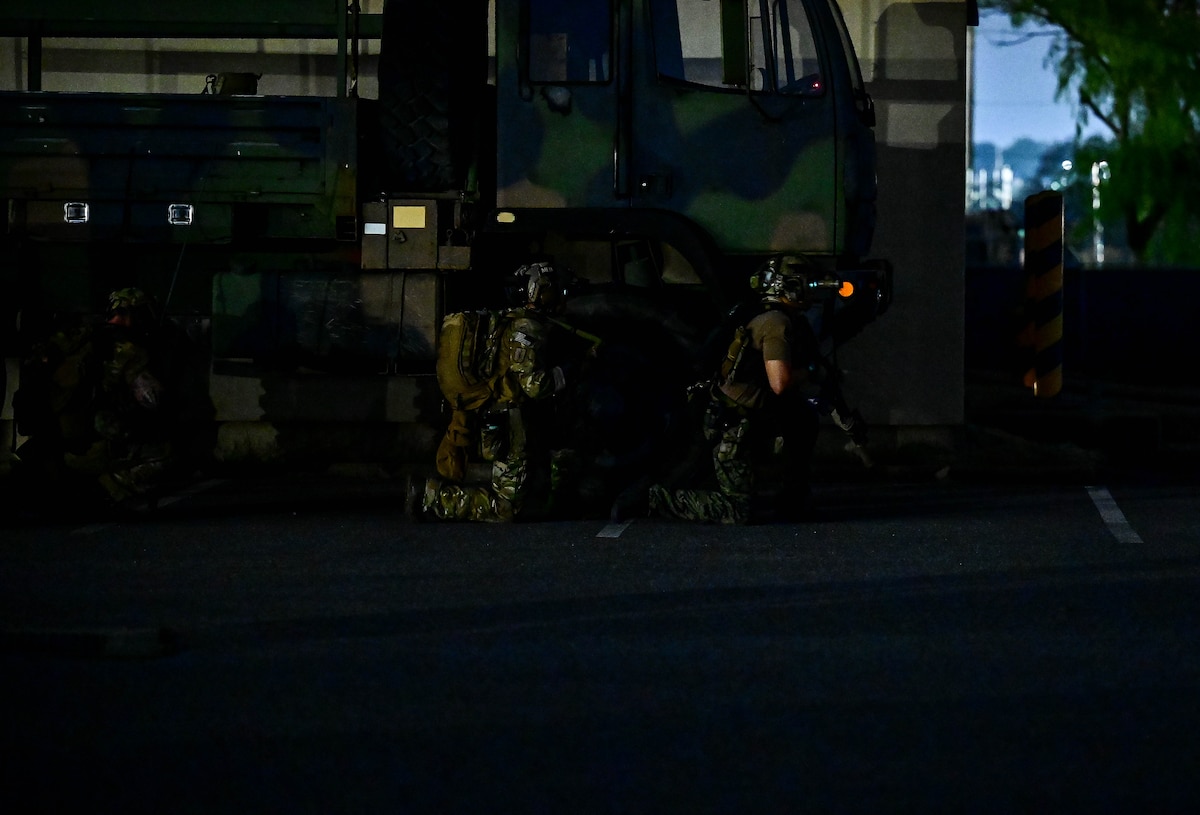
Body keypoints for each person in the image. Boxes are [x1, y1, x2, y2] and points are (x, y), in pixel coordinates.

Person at [648, 256, 824, 524]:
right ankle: (660, 500)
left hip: (747, 418)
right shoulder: (777, 322)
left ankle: (791, 497)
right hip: (733, 424)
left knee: (802, 417)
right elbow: (780, 383)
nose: (811, 290)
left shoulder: (773, 317)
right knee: (736, 511)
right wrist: (811, 372)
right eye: (806, 283)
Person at [419, 262, 579, 522]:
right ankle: (433, 499)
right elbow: (535, 386)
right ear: (538, 292)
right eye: (552, 291)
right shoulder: (528, 327)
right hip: (511, 422)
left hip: (499, 417)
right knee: (505, 507)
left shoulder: (509, 320)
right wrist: (569, 370)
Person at [15, 287, 174, 508]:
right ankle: (108, 487)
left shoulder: (72, 339)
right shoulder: (128, 351)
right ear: (138, 315)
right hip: (92, 449)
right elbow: (153, 400)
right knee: (166, 455)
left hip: (47, 448)